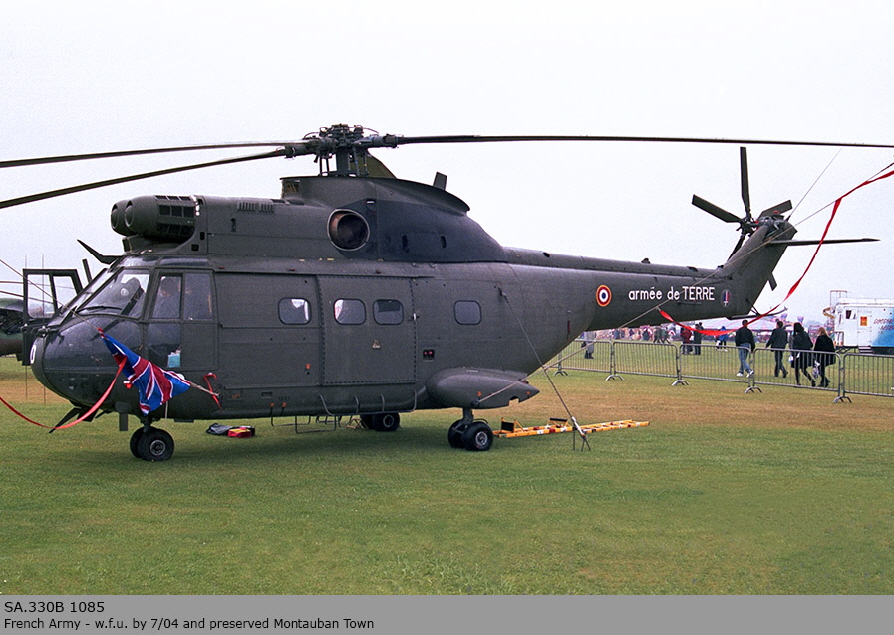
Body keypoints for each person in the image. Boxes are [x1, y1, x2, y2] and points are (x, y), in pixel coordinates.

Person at [790, 322, 814, 386]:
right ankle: (811, 380)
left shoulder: (797, 337)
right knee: (803, 369)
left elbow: (795, 347)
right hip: (807, 354)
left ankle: (798, 382)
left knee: (797, 369)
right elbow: (811, 344)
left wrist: (794, 355)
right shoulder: (805, 334)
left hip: (799, 355)